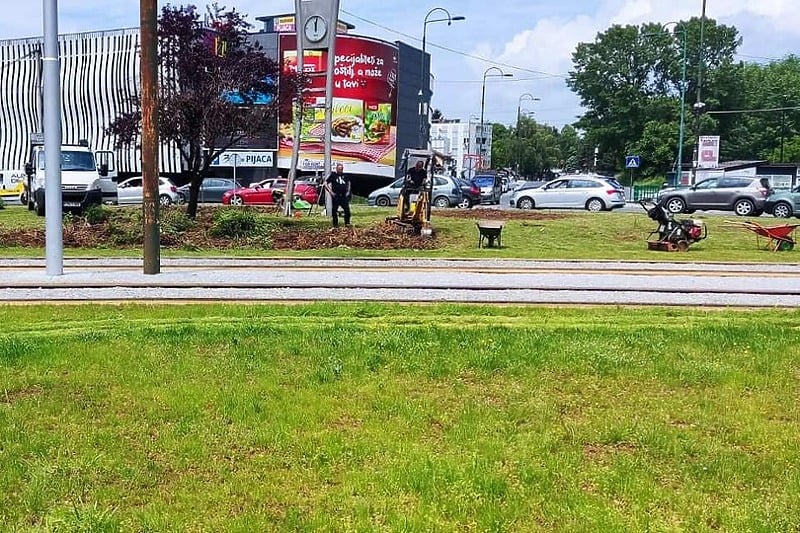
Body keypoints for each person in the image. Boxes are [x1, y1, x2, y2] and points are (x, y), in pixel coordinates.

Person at [325, 163, 351, 227]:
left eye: (341, 169)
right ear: (336, 169)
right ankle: (335, 224)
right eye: (339, 169)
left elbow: (349, 182)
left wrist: (348, 191)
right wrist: (330, 192)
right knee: (334, 211)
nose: (340, 170)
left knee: (347, 210)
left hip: (343, 195)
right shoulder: (333, 175)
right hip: (336, 195)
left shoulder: (345, 176)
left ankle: (347, 223)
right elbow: (325, 183)